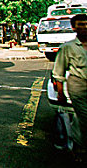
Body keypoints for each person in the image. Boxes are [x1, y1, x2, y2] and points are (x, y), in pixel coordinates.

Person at [52, 14, 87, 155]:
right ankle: (80, 147)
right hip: (78, 85)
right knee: (84, 116)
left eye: (86, 24)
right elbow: (58, 73)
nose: (85, 27)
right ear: (74, 27)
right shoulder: (68, 47)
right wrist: (60, 93)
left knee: (80, 118)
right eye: (81, 25)